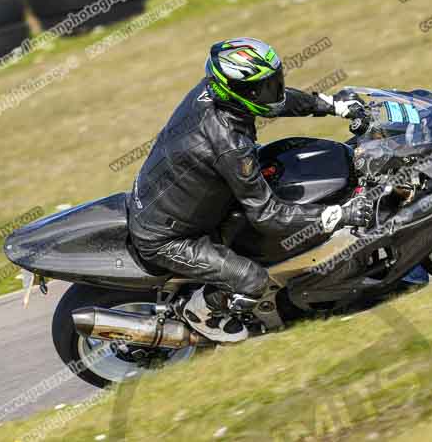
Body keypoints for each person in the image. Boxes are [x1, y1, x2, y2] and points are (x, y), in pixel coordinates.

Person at [127, 37, 373, 342]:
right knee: (253, 279)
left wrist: (332, 105)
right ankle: (201, 311)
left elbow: (275, 103)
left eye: (274, 81)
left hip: (173, 200)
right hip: (167, 238)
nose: (274, 90)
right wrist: (338, 214)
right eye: (264, 86)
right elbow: (268, 216)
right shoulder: (229, 144)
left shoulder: (213, 93)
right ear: (238, 92)